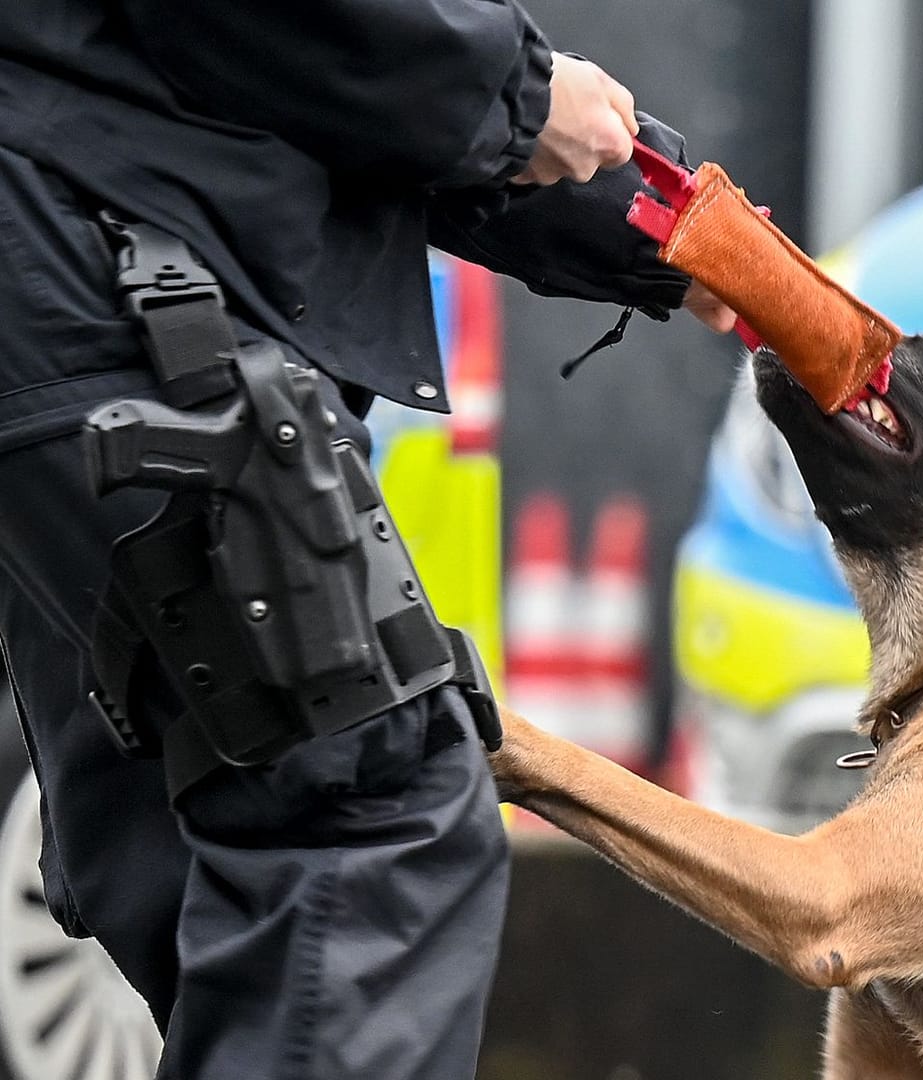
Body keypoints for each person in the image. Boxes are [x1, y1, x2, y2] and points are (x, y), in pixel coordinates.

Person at [0, 2, 730, 1076]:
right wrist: (518, 96)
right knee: (359, 818)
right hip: (99, 265)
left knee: (205, 851)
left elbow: (309, 78)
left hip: (69, 264)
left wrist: (667, 224)